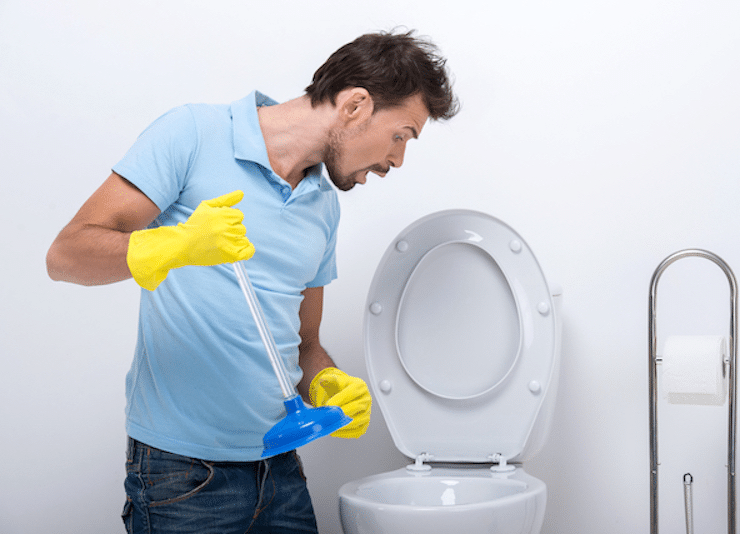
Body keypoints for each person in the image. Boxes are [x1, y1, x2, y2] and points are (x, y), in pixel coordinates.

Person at [46, 29, 459, 534]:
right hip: (183, 475)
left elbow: (306, 344)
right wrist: (172, 245)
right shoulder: (194, 134)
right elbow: (66, 255)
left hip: (280, 471)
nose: (397, 160)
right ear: (355, 105)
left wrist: (326, 382)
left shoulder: (322, 205)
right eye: (401, 135)